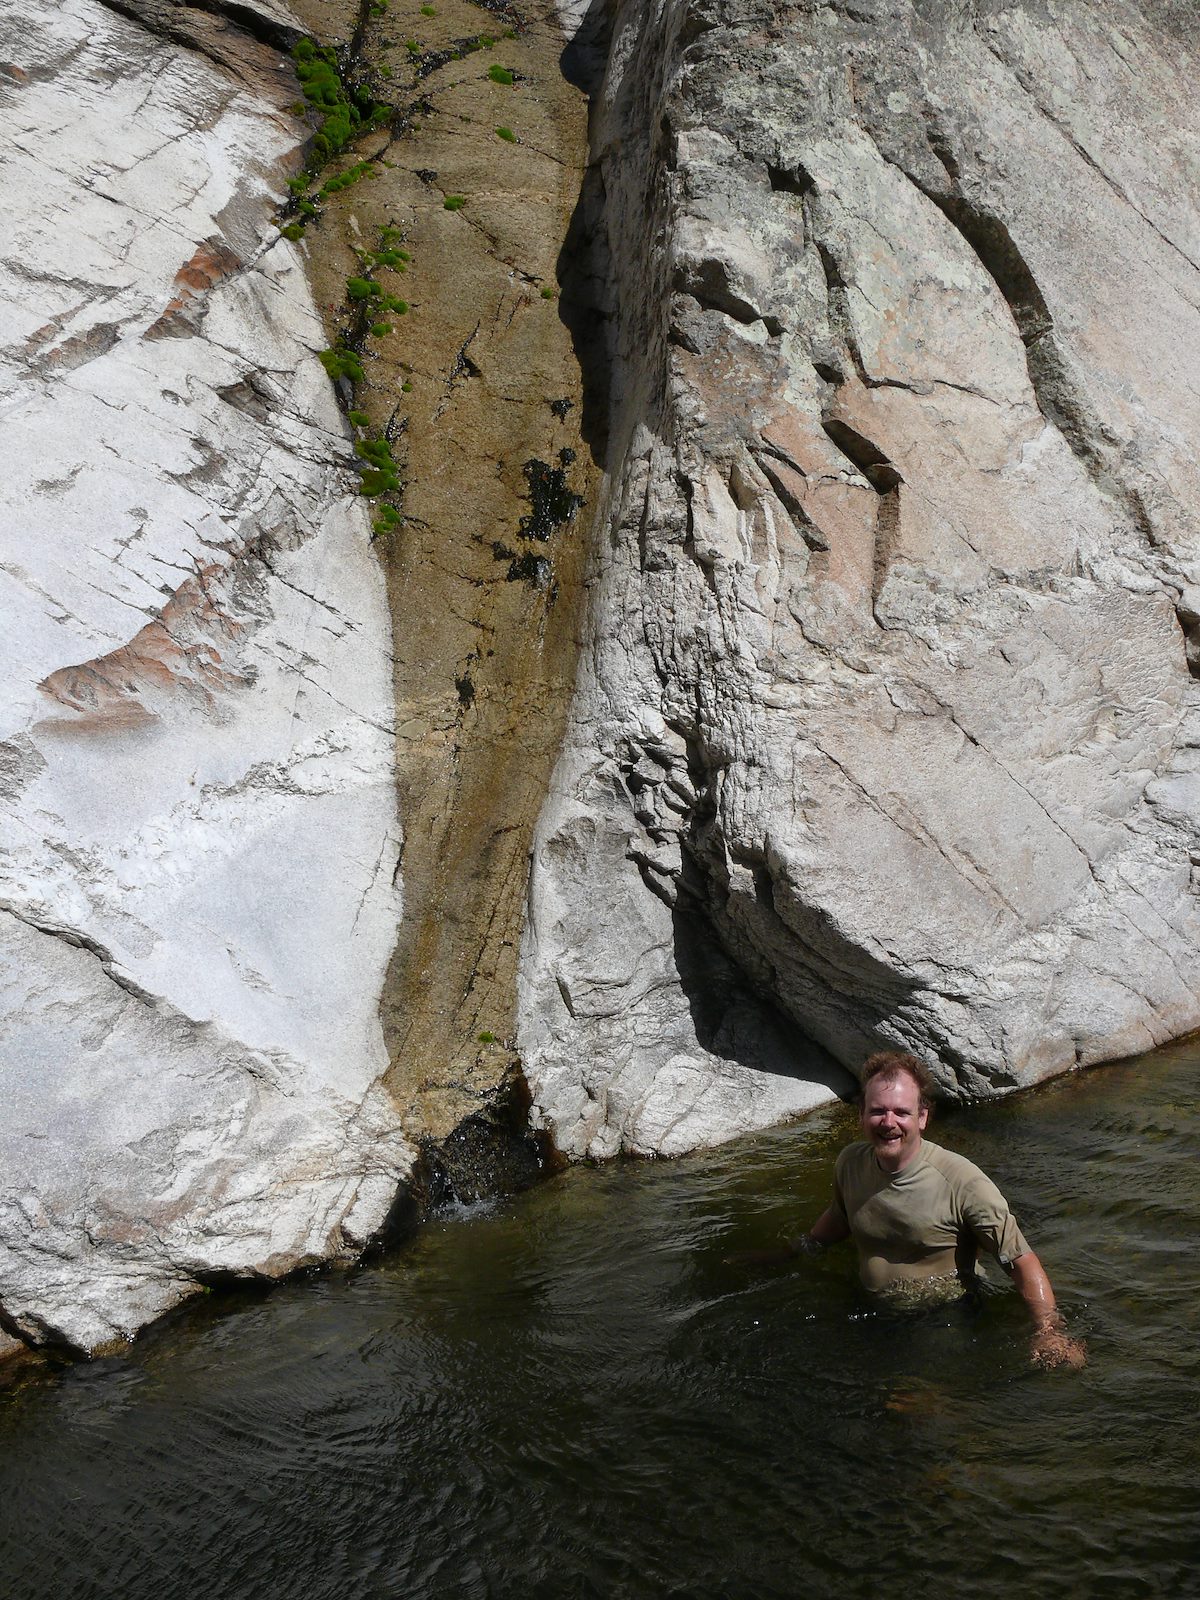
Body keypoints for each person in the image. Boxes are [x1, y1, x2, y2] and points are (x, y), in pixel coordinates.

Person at [790, 1050, 1086, 1370]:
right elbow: (840, 1216)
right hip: (870, 1311)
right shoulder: (851, 1161)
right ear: (861, 1113)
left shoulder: (963, 1182)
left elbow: (1020, 1260)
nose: (888, 1122)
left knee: (916, 1409)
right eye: (878, 1111)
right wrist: (792, 1251)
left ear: (922, 1118)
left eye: (901, 1112)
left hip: (943, 1319)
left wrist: (1050, 1332)